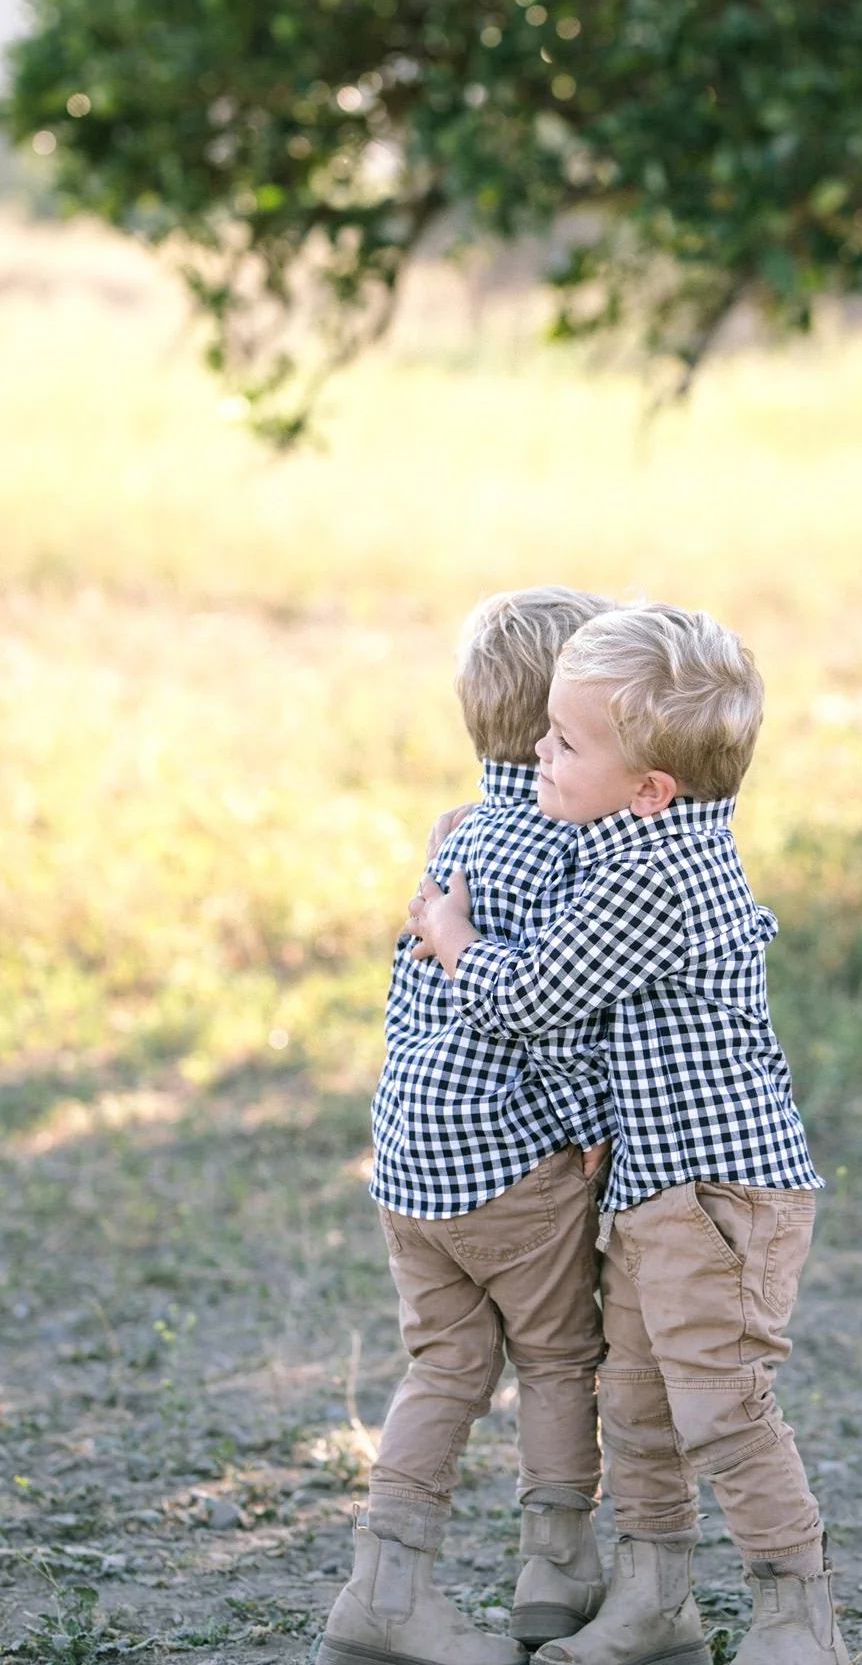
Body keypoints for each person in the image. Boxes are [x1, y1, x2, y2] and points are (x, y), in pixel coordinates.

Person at [410, 604, 850, 1665]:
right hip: (657, 1186)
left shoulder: (653, 877)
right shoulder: (634, 849)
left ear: (650, 788)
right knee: (639, 1402)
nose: (537, 752)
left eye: (563, 742)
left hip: (714, 1192)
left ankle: (800, 1617)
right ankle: (653, 1601)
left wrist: (452, 937)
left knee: (722, 1406)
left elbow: (534, 1000)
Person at [319, 586, 618, 1665]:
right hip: (511, 1162)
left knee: (444, 1367)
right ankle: (557, 1566)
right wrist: (592, 1127)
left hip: (409, 1165)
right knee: (557, 1358)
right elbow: (545, 1011)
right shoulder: (565, 849)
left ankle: (385, 1589)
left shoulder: (459, 835)